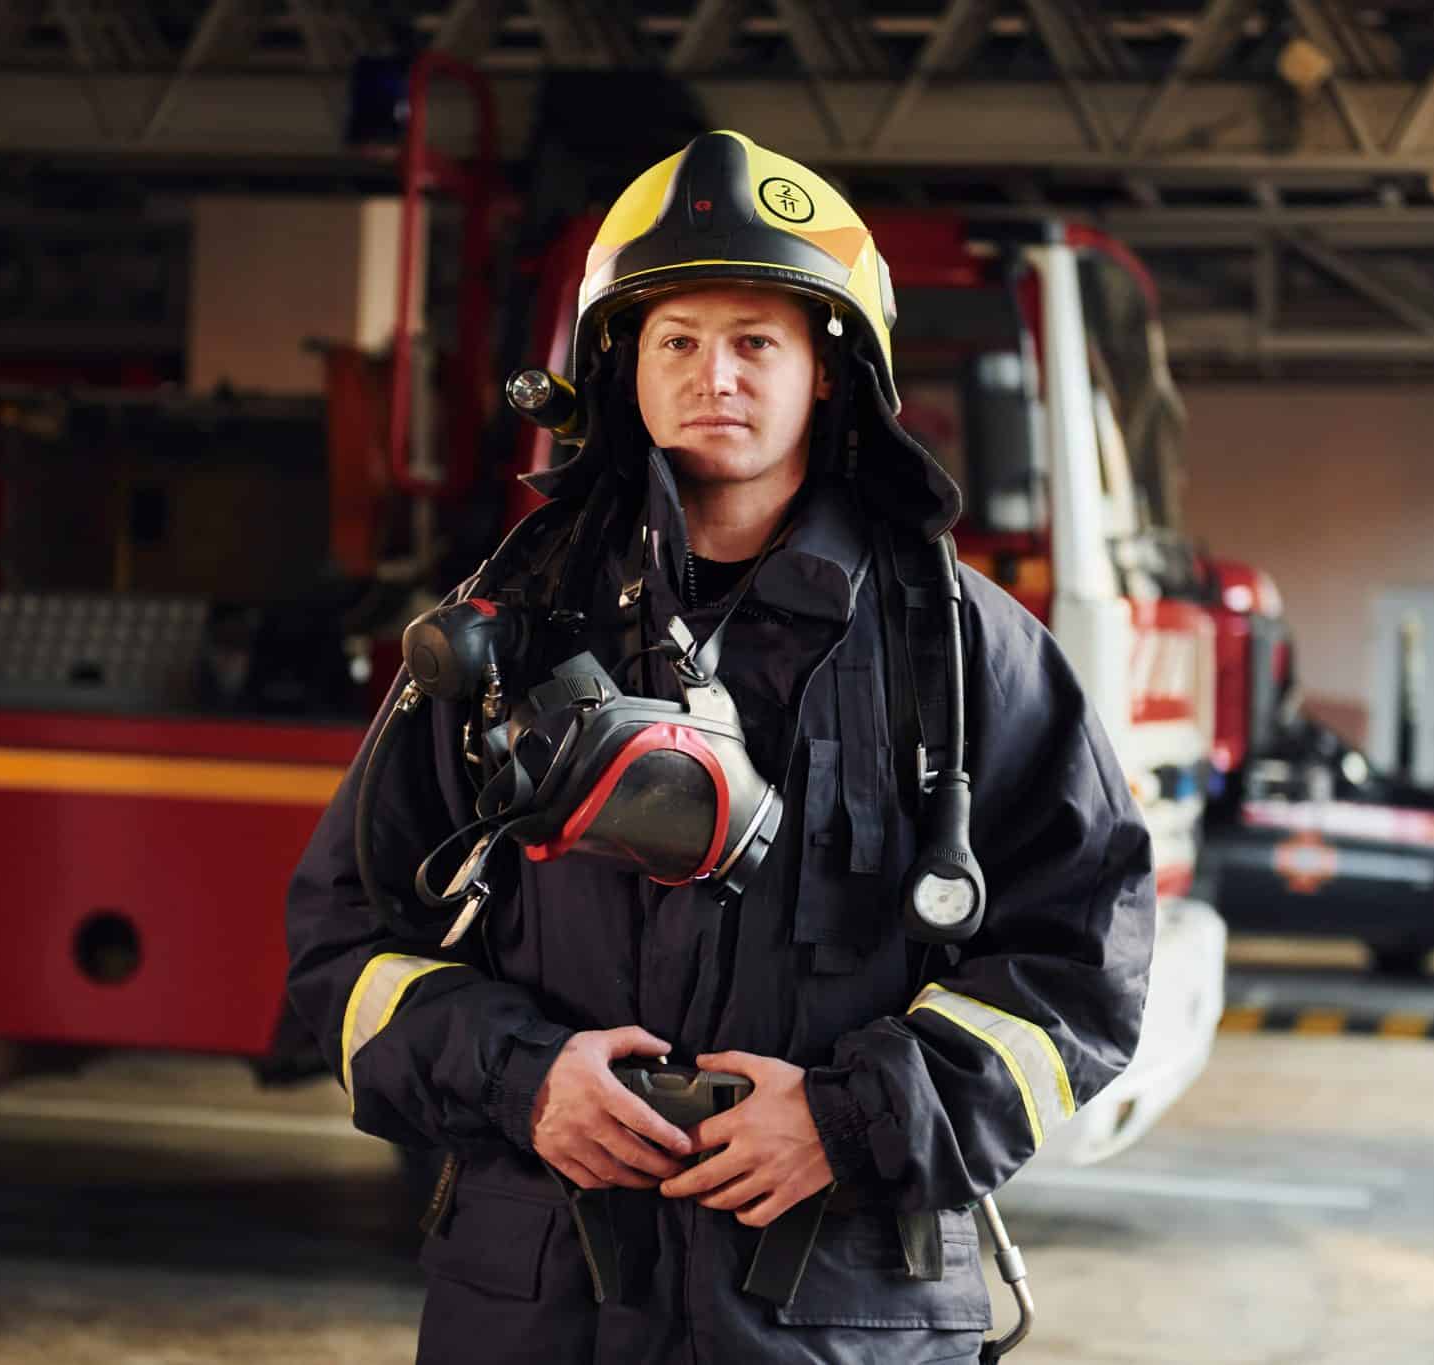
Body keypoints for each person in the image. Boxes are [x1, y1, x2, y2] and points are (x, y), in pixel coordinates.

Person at [284, 130, 1155, 1364]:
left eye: (757, 341)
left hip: (841, 1311)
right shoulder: (502, 632)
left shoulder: (963, 650)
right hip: (538, 1308)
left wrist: (851, 1122)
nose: (716, 377)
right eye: (676, 340)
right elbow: (342, 946)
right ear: (619, 369)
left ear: (828, 375)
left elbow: (1084, 964)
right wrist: (520, 1080)